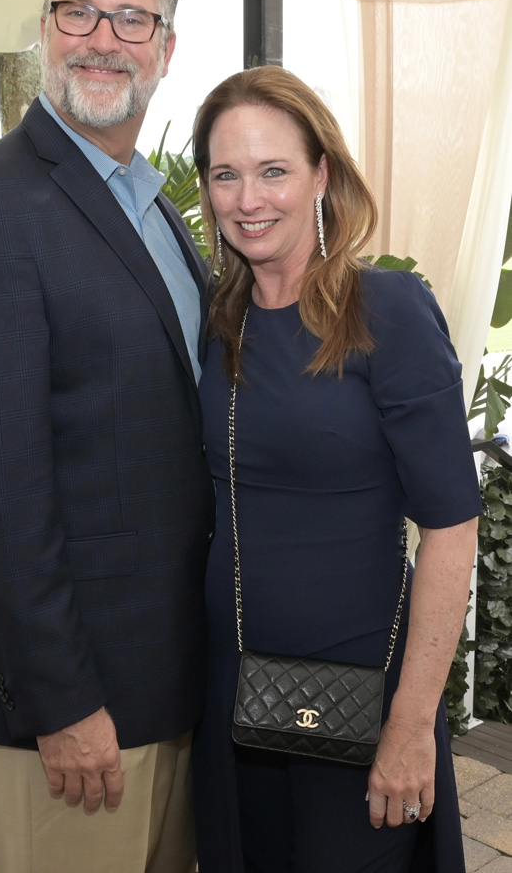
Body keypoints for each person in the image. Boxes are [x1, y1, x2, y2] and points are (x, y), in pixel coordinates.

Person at [0, 0, 214, 873]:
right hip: (77, 712)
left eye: (130, 19)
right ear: (44, 29)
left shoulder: (157, 206)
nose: (101, 38)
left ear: (166, 47)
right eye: (77, 11)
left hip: (173, 685)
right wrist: (62, 700)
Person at [191, 65, 481, 873]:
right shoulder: (222, 319)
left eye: (273, 170)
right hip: (235, 694)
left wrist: (411, 723)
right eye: (226, 174)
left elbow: (452, 528)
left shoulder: (386, 309)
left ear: (321, 174)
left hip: (359, 704)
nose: (249, 198)